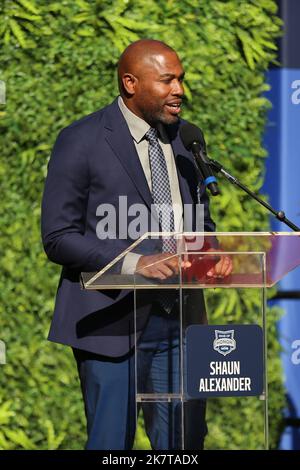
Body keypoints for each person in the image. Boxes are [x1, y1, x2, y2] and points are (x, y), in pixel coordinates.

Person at [41, 39, 232, 450]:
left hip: (179, 321)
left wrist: (210, 252)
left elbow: (198, 218)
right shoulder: (81, 139)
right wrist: (134, 262)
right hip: (111, 321)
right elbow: (58, 238)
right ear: (131, 82)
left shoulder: (188, 140)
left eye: (180, 78)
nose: (179, 89)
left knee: (184, 445)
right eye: (167, 80)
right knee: (112, 444)